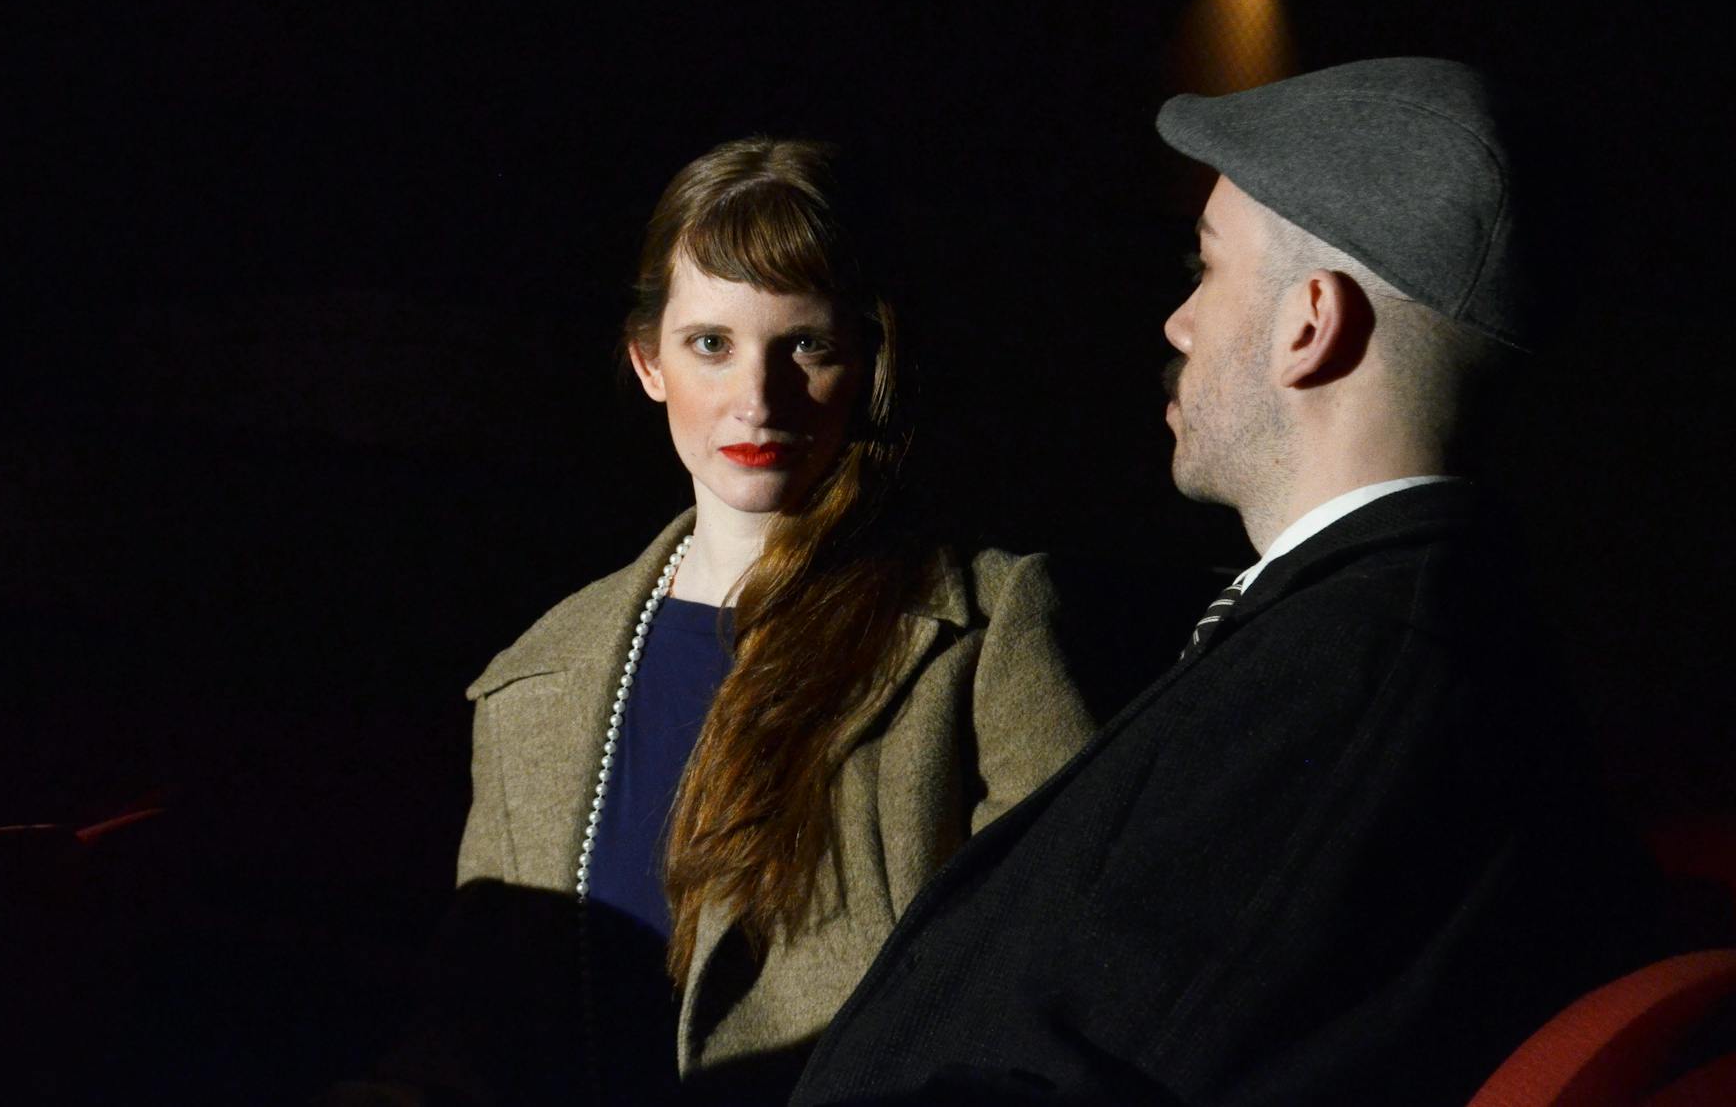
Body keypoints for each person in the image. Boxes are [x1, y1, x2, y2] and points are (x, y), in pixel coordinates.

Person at [790, 59, 1668, 1106]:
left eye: (1204, 268)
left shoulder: (1356, 671)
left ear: (1309, 325)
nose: (1177, 321)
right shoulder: (1372, 635)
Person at [348, 137, 1097, 1106]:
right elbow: (472, 1038)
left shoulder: (985, 635)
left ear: (868, 361)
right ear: (647, 361)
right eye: (711, 344)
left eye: (807, 346)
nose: (757, 400)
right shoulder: (534, 681)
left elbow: (1061, 983)